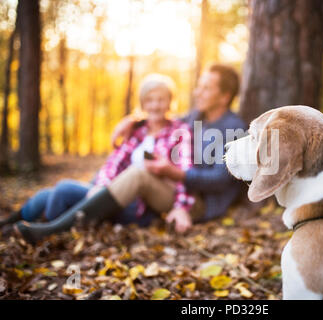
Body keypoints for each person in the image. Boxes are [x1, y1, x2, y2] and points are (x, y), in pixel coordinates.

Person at [14, 64, 247, 243]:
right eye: (200, 86)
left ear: (224, 97)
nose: (198, 92)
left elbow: (222, 179)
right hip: (172, 189)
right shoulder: (197, 117)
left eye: (206, 88)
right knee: (56, 192)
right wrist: (132, 121)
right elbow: (162, 118)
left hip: (199, 202)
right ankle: (11, 224)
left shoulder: (232, 128)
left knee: (138, 174)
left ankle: (53, 231)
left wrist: (174, 173)